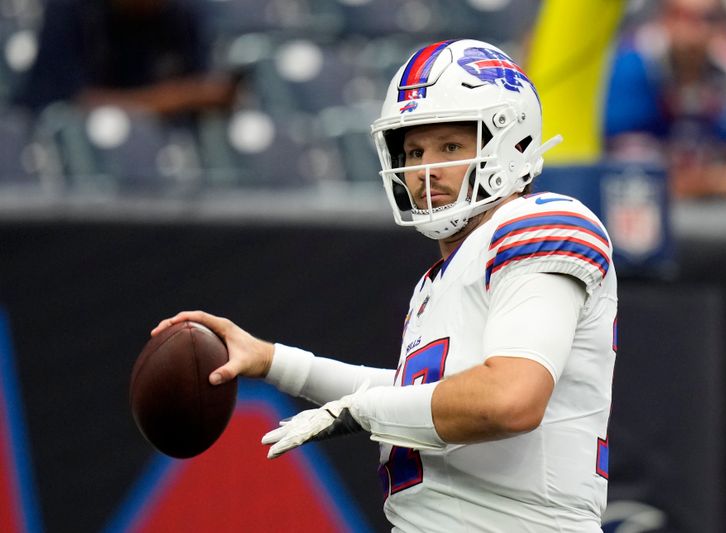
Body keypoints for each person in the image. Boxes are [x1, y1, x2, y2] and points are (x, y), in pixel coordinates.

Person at [153, 39, 617, 532]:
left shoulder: (541, 223)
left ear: (512, 142)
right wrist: (273, 361)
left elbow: (510, 398)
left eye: (451, 146)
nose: (424, 170)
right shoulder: (441, 279)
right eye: (414, 150)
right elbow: (413, 397)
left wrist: (361, 411)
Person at [604, 0, 726, 200]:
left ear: (725, 24)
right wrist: (716, 182)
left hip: (717, 212)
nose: (694, 30)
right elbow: (629, 174)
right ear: (663, 18)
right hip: (639, 205)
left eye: (708, 18)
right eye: (682, 16)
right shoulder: (631, 65)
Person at [12, 0, 236, 116]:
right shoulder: (71, 11)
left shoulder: (181, 17)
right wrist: (180, 97)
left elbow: (208, 93)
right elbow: (72, 106)